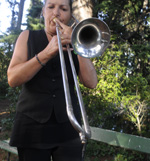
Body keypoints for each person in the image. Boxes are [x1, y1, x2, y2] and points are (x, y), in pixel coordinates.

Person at [7, 0, 98, 160]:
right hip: (31, 127)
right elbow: (13, 79)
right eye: (51, 7)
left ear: (70, 15)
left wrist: (78, 44)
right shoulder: (27, 36)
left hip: (69, 127)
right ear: (43, 11)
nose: (56, 13)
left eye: (63, 8)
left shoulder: (76, 42)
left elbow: (91, 82)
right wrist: (46, 53)